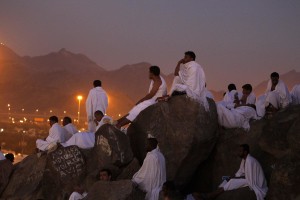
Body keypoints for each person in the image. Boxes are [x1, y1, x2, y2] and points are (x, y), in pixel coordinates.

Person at [197, 144, 268, 200]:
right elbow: (241, 171)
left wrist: (235, 178)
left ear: (245, 152)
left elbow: (249, 178)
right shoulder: (244, 160)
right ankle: (214, 194)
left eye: (240, 151)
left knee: (231, 181)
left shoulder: (249, 161)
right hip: (250, 179)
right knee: (226, 179)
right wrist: (233, 176)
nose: (238, 152)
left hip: (256, 182)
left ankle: (210, 196)